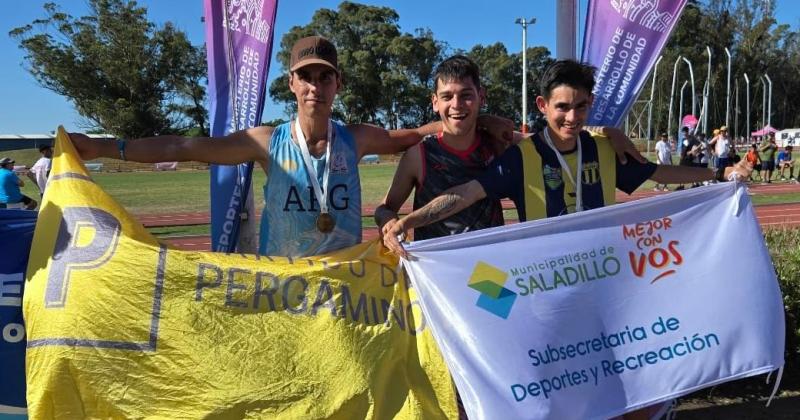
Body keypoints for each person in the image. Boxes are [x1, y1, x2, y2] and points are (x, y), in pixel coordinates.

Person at [383, 60, 751, 420]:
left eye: (580, 106)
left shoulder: (602, 148)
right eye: (562, 107)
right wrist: (409, 221)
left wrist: (720, 172)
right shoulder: (517, 157)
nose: (571, 117)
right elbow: (467, 192)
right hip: (538, 292)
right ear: (544, 106)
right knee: (541, 376)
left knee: (618, 377)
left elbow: (655, 172)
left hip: (602, 287)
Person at [70, 36, 505, 257]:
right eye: (307, 77)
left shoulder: (357, 138)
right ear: (292, 83)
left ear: (338, 83)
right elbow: (185, 146)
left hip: (342, 283)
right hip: (282, 283)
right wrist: (106, 147)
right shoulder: (266, 141)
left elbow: (424, 130)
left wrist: (484, 118)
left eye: (324, 77)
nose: (315, 86)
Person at [374, 55, 642, 243]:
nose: (457, 104)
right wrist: (389, 223)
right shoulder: (418, 155)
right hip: (438, 273)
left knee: (496, 321)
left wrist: (604, 131)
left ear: (481, 97)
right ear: (435, 103)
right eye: (447, 97)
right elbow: (384, 208)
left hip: (491, 270)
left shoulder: (499, 144)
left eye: (467, 95)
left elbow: (554, 137)